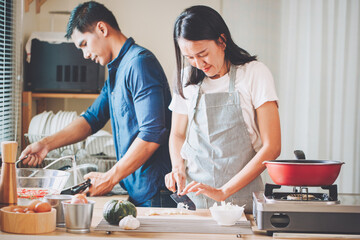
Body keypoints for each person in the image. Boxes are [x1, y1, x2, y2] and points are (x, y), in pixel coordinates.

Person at [19, 1, 175, 208]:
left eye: (84, 44)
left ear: (102, 28)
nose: (85, 55)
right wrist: (45, 145)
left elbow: (152, 134)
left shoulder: (139, 64)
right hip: (138, 192)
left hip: (155, 194)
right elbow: (91, 119)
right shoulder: (116, 71)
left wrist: (109, 178)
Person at [164, 5, 281, 213]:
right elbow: (177, 133)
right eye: (190, 57)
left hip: (243, 204)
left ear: (222, 40)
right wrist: (177, 167)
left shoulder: (254, 74)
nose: (198, 64)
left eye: (203, 54)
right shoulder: (185, 78)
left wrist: (223, 191)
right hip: (195, 205)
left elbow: (272, 147)